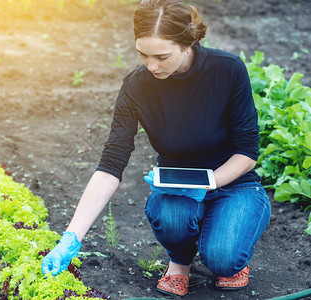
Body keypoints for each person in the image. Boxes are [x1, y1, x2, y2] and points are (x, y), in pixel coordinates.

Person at [42, 0, 271, 296]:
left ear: (187, 43)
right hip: (176, 188)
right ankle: (180, 260)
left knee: (223, 259)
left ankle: (224, 243)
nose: (151, 66)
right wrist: (70, 238)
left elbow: (247, 153)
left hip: (234, 184)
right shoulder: (137, 87)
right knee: (172, 217)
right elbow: (111, 165)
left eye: (162, 56)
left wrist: (206, 183)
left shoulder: (227, 70)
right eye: (143, 54)